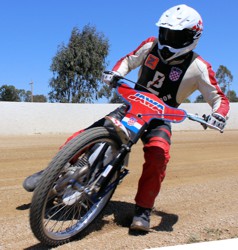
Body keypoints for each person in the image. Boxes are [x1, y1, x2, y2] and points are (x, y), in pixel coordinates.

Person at [23, 4, 230, 232]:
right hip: (133, 104)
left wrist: (218, 115)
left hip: (161, 117)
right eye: (166, 32)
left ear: (192, 37)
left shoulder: (200, 67)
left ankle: (143, 210)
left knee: (158, 156)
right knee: (90, 133)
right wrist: (116, 74)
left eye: (177, 36)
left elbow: (218, 97)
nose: (168, 39)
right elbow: (129, 60)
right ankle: (50, 173)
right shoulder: (151, 44)